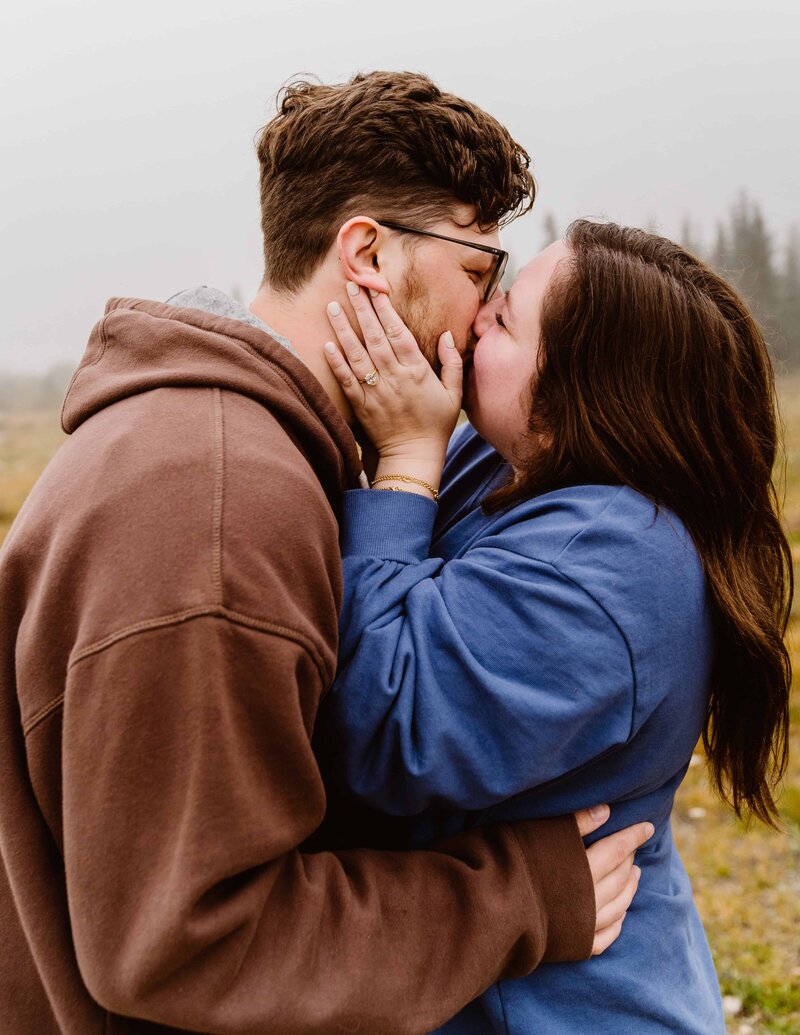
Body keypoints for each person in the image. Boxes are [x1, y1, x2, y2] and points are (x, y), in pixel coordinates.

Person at [0, 74, 652, 1035]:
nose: (483, 320)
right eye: (480, 271)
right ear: (367, 254)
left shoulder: (223, 449)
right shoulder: (221, 502)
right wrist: (518, 897)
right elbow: (188, 942)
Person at [320, 219, 793, 1034]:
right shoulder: (514, 464)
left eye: (504, 320)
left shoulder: (617, 562)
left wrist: (402, 464)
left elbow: (385, 730)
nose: (476, 320)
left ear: (583, 395)